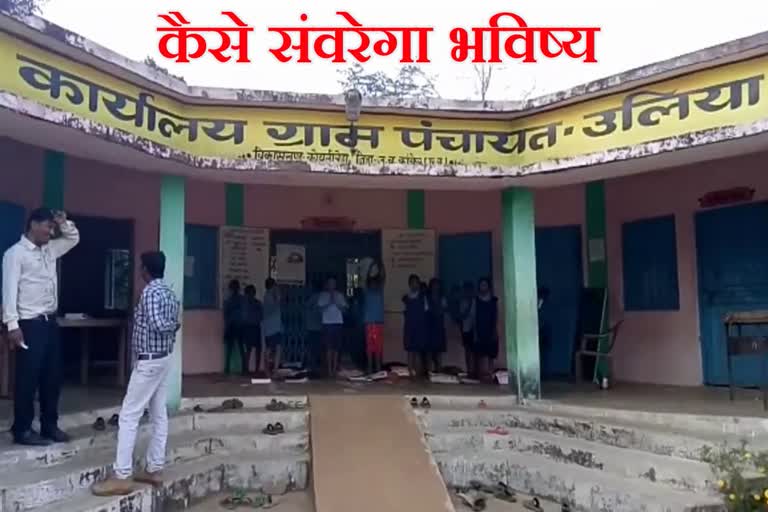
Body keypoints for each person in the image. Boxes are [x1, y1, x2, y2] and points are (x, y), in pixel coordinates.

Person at [91, 251, 180, 496]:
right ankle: (154, 468)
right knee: (158, 413)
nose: (140, 271)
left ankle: (122, 475)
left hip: (149, 361)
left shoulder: (150, 293)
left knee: (129, 416)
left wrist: (170, 326)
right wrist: (174, 326)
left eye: (141, 267)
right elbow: (173, 323)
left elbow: (159, 324)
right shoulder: (170, 292)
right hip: (163, 360)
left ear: (145, 270)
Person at [2, 208, 79, 446]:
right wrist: (12, 325)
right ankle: (22, 429)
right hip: (28, 324)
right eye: (47, 226)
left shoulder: (50, 250)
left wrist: (63, 222)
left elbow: (73, 238)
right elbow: (9, 290)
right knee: (27, 378)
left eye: (52, 227)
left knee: (52, 377)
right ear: (33, 225)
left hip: (50, 322)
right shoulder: (15, 254)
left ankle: (49, 425)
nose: (50, 231)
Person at [317, 276, 347, 378]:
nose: (331, 286)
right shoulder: (323, 295)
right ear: (327, 285)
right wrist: (329, 302)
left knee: (336, 348)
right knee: (329, 348)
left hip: (338, 323)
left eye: (333, 283)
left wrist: (336, 302)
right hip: (327, 324)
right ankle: (329, 370)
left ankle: (334, 369)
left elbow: (344, 310)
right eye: (330, 283)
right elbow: (320, 310)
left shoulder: (340, 295)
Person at [402, 274, 428, 378]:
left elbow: (426, 312)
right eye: (412, 283)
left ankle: (418, 374)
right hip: (409, 327)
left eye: (416, 282)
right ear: (409, 284)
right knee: (410, 350)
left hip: (420, 327)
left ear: (419, 284)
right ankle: (410, 373)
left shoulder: (423, 297)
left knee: (417, 351)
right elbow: (405, 312)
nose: (414, 285)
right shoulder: (406, 298)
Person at [474, 277, 499, 380]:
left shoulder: (494, 300)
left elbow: (496, 316)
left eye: (485, 284)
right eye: (481, 284)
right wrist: (475, 332)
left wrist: (495, 330)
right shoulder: (476, 300)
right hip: (479, 329)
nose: (483, 287)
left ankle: (490, 374)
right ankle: (480, 375)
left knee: (491, 353)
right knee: (479, 353)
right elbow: (474, 316)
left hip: (491, 328)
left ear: (489, 286)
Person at [363, 262, 386, 375]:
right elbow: (367, 278)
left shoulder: (380, 291)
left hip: (379, 323)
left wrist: (380, 265)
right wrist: (371, 266)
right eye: (371, 283)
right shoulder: (367, 292)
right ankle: (370, 368)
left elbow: (383, 277)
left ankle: (377, 368)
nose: (373, 285)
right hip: (369, 322)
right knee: (370, 347)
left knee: (378, 347)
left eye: (375, 283)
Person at [262, 278, 283, 378]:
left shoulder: (267, 296)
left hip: (272, 327)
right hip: (272, 327)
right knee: (272, 348)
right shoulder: (270, 296)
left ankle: (271, 370)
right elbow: (275, 306)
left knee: (273, 348)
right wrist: (277, 296)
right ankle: (271, 371)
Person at [426, 278, 448, 374]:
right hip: (429, 326)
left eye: (437, 285)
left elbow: (443, 311)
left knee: (438, 351)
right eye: (434, 285)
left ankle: (439, 371)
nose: (435, 287)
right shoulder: (426, 298)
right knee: (429, 351)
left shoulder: (442, 298)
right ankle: (429, 371)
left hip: (439, 326)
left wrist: (437, 311)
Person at [222, 279, 244, 376]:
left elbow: (225, 315)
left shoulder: (228, 301)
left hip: (231, 325)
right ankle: (244, 368)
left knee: (230, 349)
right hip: (239, 326)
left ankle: (227, 369)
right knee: (240, 348)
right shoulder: (241, 300)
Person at [240, 285, 263, 376]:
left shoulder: (244, 304)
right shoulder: (257, 303)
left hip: (248, 327)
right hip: (254, 327)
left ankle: (246, 370)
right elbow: (261, 316)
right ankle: (256, 370)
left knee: (248, 349)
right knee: (257, 349)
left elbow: (243, 317)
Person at [305, 280, 323, 377]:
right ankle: (316, 368)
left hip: (312, 327)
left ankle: (313, 368)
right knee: (317, 349)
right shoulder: (320, 298)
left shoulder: (312, 298)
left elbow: (307, 308)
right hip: (318, 327)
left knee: (312, 349)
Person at [458, 281, 477, 378]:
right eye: (466, 290)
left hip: (475, 330)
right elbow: (462, 316)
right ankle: (469, 370)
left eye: (470, 290)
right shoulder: (463, 302)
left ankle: (475, 371)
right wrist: (469, 305)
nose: (468, 292)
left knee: (475, 351)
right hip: (466, 329)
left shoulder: (476, 301)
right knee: (468, 351)